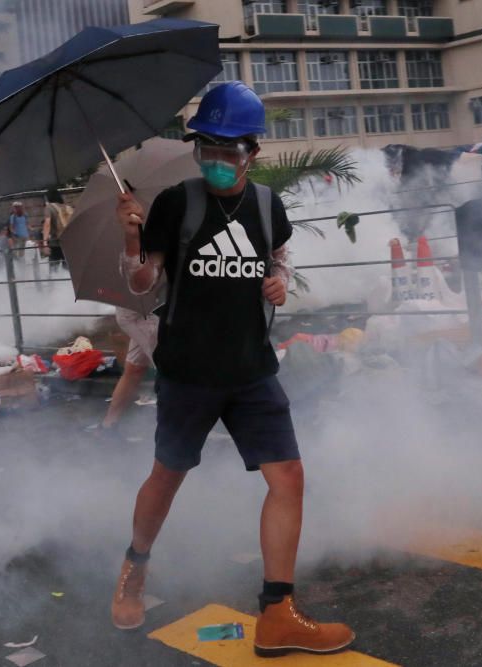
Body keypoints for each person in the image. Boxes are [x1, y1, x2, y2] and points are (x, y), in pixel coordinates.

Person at [110, 81, 354, 657]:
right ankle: (134, 567)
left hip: (251, 370)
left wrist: (280, 283)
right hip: (189, 372)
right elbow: (143, 285)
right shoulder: (177, 203)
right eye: (207, 149)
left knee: (288, 477)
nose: (217, 161)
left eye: (229, 151)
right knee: (167, 477)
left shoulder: (269, 206)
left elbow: (277, 263)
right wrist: (131, 241)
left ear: (254, 152)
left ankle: (277, 612)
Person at [89, 307, 158, 431]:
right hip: (138, 314)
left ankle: (179, 437)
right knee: (133, 370)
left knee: (170, 374)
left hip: (153, 316)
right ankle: (108, 426)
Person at [41, 188, 71, 266]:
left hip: (55, 242)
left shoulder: (49, 207)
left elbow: (47, 224)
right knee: (68, 268)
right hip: (68, 242)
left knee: (54, 268)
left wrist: (45, 244)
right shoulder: (67, 207)